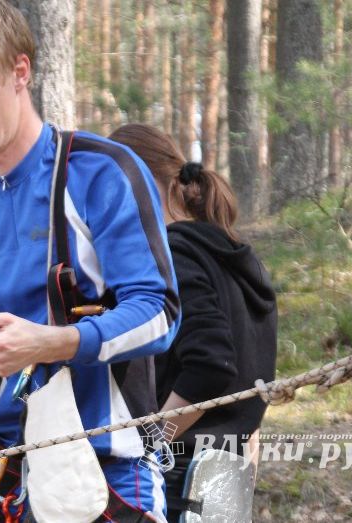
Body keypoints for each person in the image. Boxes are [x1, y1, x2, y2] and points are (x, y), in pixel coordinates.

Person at [0, 1, 181, 521]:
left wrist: (55, 342)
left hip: (109, 467)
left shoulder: (100, 174)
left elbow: (159, 312)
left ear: (20, 71)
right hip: (5, 473)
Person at [108, 123, 277, 522]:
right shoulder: (235, 257)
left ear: (139, 185)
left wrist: (147, 448)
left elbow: (211, 366)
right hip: (225, 472)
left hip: (180, 477)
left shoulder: (175, 256)